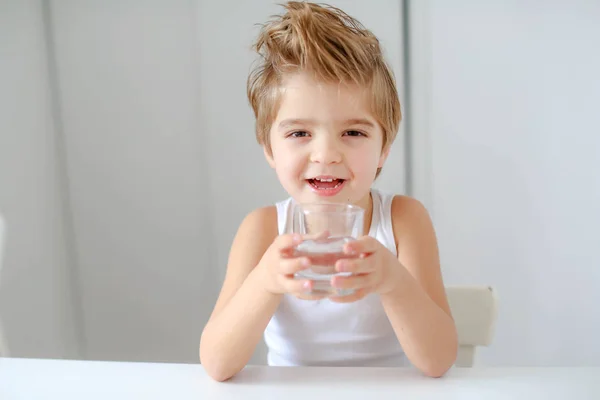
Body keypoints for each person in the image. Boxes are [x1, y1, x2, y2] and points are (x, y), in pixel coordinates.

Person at [200, 1, 457, 381]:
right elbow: (218, 364)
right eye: (299, 133)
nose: (326, 155)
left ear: (384, 147)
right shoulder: (264, 228)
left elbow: (438, 361)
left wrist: (393, 280)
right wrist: (266, 280)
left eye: (353, 133)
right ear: (270, 149)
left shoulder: (403, 220)